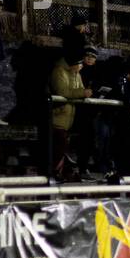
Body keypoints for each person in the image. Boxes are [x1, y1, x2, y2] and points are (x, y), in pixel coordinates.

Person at [49, 51, 92, 179]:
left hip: (68, 118)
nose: (81, 66)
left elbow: (79, 89)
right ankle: (55, 173)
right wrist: (82, 93)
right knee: (58, 146)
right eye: (80, 63)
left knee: (63, 146)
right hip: (58, 116)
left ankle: (60, 172)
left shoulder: (76, 74)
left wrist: (85, 92)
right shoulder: (59, 72)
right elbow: (62, 91)